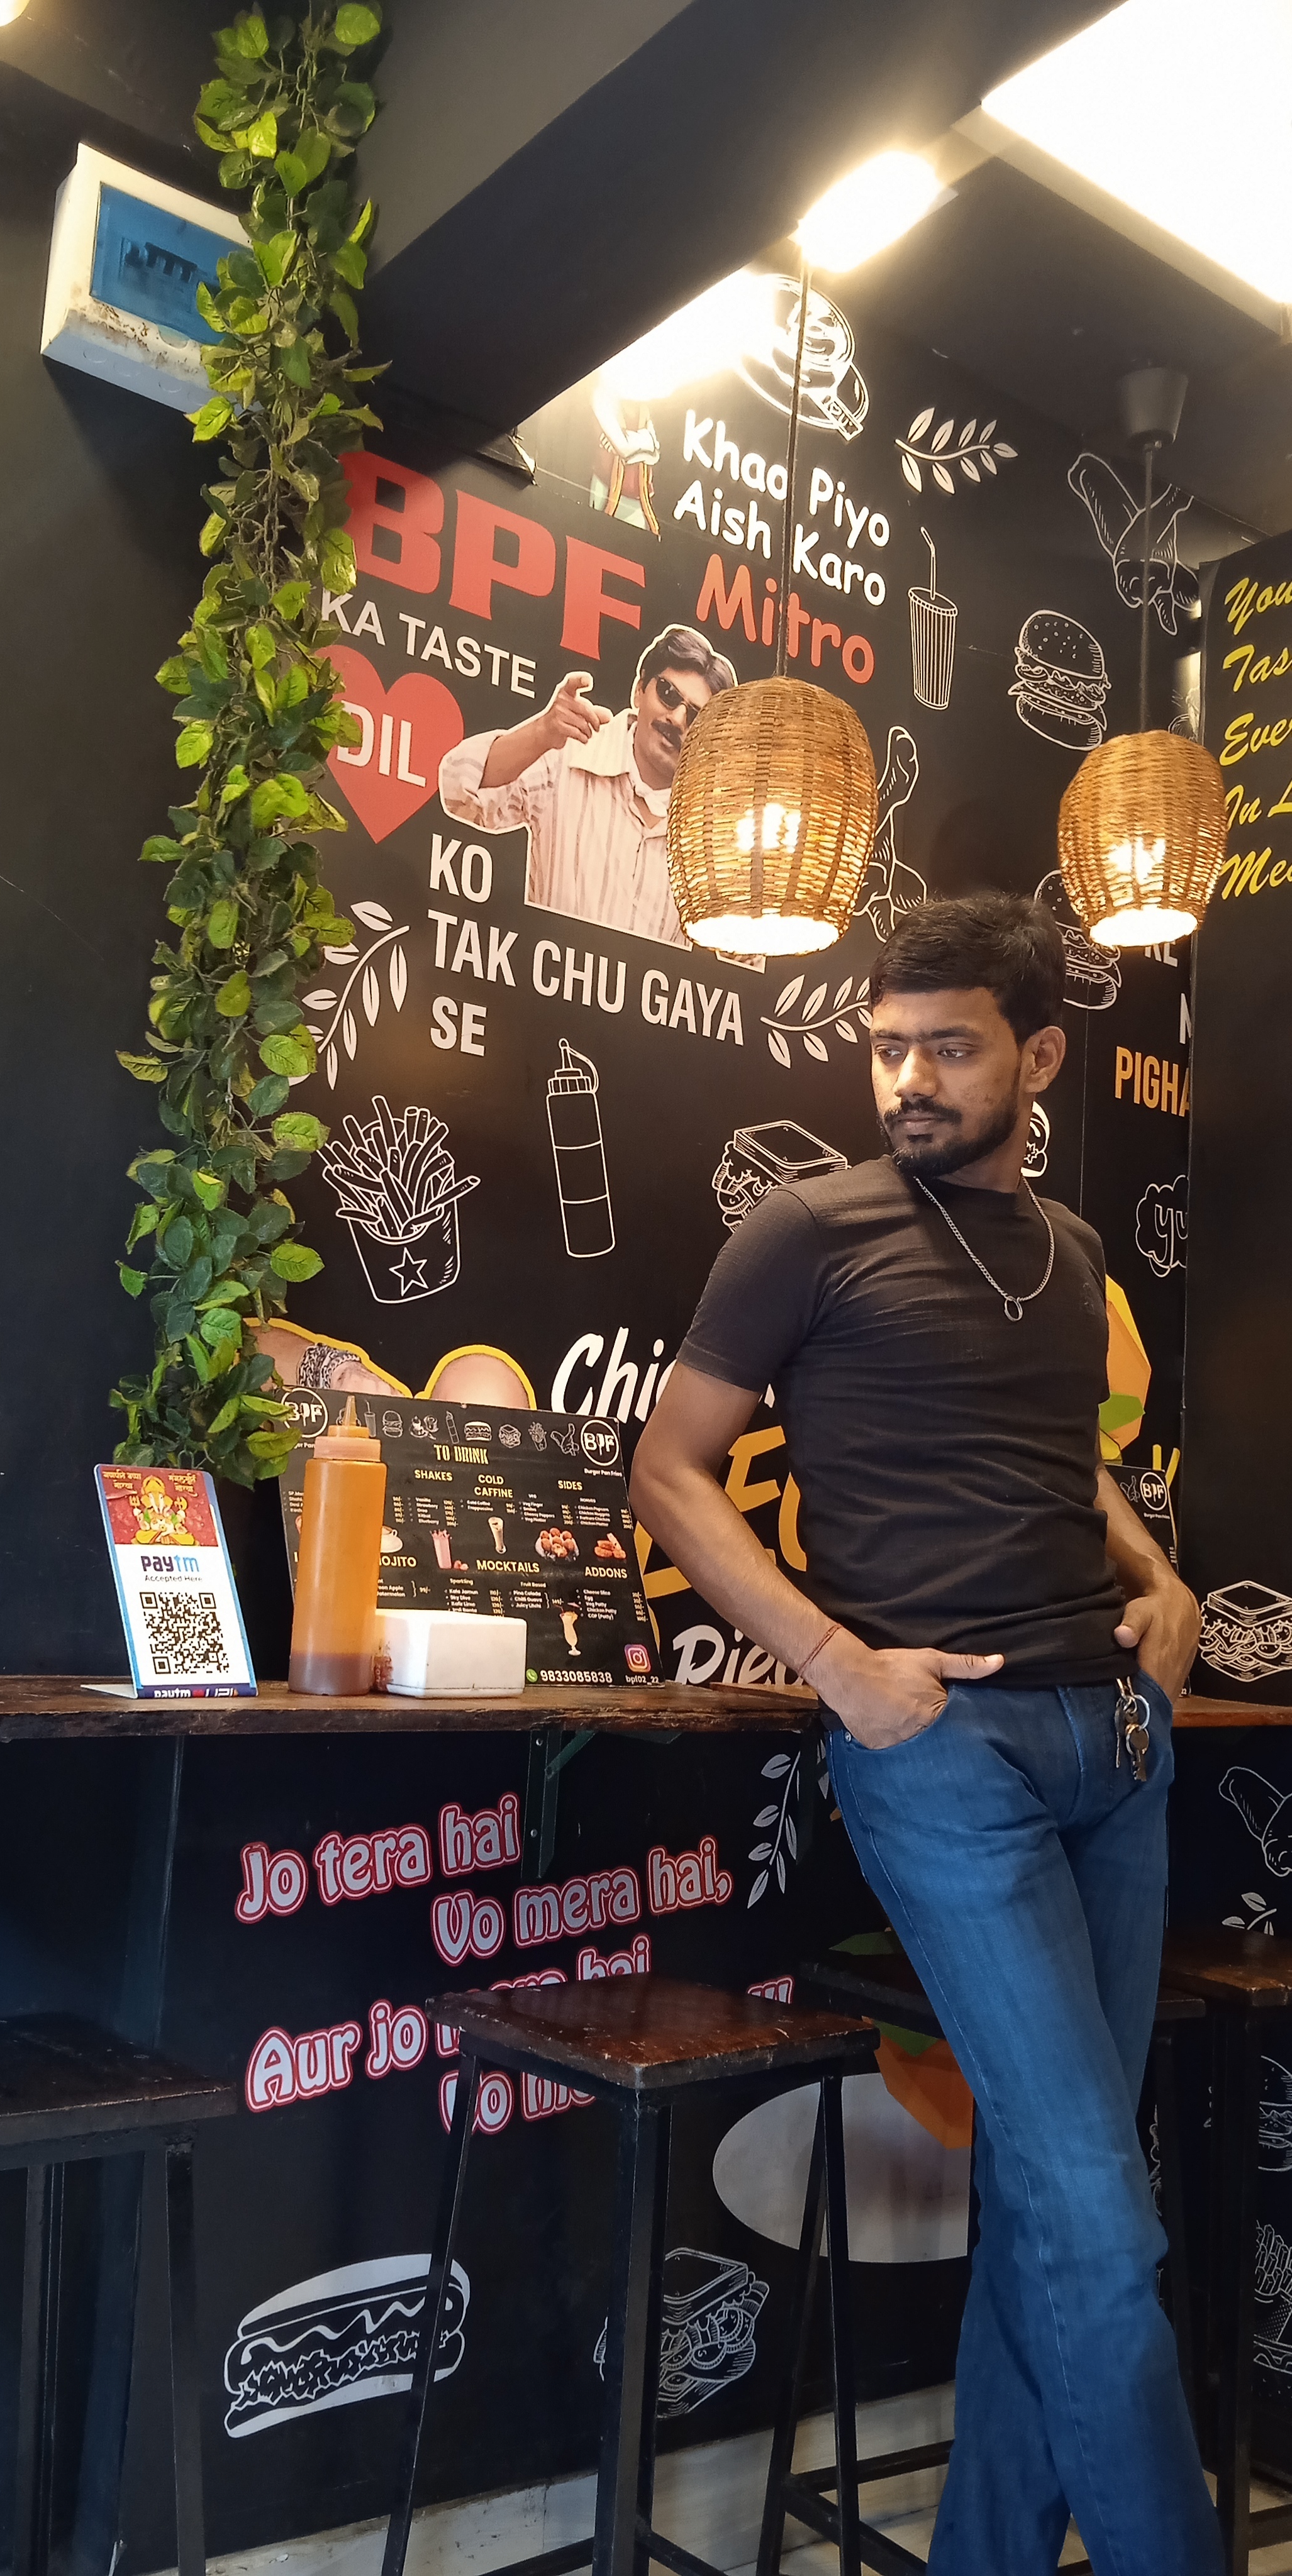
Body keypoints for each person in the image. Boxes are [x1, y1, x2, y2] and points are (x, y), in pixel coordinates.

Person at [630, 892, 1218, 2576]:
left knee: (1054, 2202)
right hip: (948, 1760)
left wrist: (1161, 1580)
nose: (907, 1078)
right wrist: (836, 1663)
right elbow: (668, 1470)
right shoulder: (808, 1230)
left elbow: (1061, 1462)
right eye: (886, 1046)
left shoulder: (1076, 1256)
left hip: (1112, 1750)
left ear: (1041, 1058)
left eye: (948, 1049)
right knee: (1101, 2222)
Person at [437, 625, 735, 947]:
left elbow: (745, 959)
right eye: (668, 694)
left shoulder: (715, 831)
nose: (676, 719)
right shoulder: (570, 754)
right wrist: (540, 733)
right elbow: (458, 789)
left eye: (696, 716)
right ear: (639, 690)